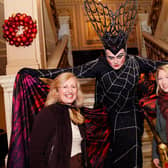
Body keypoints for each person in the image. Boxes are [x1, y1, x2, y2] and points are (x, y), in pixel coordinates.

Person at [29, 72, 87, 168]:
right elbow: (36, 153)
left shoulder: (77, 114)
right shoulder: (48, 113)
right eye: (65, 87)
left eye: (73, 87)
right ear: (56, 91)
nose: (70, 90)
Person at [152, 65, 168, 168]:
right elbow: (157, 130)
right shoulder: (159, 102)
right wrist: (155, 154)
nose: (163, 82)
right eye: (160, 78)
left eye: (167, 77)